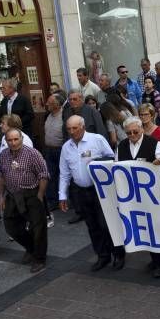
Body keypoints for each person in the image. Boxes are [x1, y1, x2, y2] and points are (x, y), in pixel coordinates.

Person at [58, 116, 121, 272]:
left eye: (75, 128)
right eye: (69, 129)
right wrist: (62, 195)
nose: (72, 132)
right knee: (92, 226)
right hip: (80, 191)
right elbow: (64, 173)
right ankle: (102, 256)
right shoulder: (66, 147)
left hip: (100, 190)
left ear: (83, 126)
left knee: (106, 224)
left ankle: (118, 254)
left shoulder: (97, 139)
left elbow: (112, 158)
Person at [116, 117, 160, 277]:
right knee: (144, 229)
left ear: (142, 130)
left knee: (157, 229)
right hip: (133, 196)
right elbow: (117, 166)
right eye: (128, 133)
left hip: (153, 196)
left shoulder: (155, 144)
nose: (132, 135)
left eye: (135, 132)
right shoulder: (122, 145)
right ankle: (154, 259)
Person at [0, 128, 50, 273]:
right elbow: (1, 176)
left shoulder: (32, 154)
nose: (13, 143)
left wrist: (39, 195)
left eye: (16, 139)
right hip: (13, 195)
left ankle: (39, 259)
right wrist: (1, 196)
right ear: (5, 141)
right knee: (11, 226)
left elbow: (44, 175)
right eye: (10, 140)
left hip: (31, 193)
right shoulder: (4, 155)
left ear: (21, 138)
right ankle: (31, 248)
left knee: (38, 227)